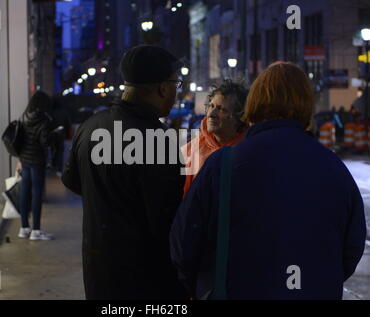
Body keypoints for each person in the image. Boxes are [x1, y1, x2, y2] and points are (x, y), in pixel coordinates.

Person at [170, 62, 367, 300]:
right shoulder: (334, 169)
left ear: (253, 103)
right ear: (306, 104)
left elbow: (184, 243)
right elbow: (352, 248)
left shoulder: (224, 164)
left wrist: (204, 288)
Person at [62, 45, 187, 300]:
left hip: (98, 270)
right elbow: (166, 222)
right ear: (163, 88)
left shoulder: (90, 126)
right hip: (144, 279)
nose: (176, 91)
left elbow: (73, 181)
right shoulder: (157, 141)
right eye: (176, 83)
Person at [182, 79, 248, 195]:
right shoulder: (189, 151)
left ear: (239, 117)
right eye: (211, 106)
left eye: (221, 109)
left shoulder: (249, 152)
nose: (212, 114)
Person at [17, 91, 55, 241]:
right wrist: (54, 136)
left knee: (25, 193)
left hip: (25, 159)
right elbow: (45, 142)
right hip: (37, 161)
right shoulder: (43, 119)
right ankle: (36, 230)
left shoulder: (25, 116)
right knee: (36, 194)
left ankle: (24, 227)